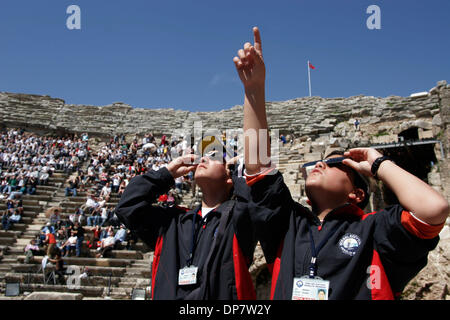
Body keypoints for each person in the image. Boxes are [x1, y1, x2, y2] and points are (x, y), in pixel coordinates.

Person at [233, 27, 450, 300]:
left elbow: (434, 209)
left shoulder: (376, 230)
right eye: (320, 162)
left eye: (337, 164)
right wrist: (254, 89)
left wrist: (378, 164)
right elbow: (258, 168)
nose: (320, 165)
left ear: (357, 193)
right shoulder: (289, 223)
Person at [115, 145, 258, 299]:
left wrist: (241, 172)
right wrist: (166, 174)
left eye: (214, 157)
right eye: (203, 156)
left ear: (230, 176)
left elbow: (258, 203)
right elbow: (127, 208)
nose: (202, 159)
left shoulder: (240, 218)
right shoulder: (173, 222)